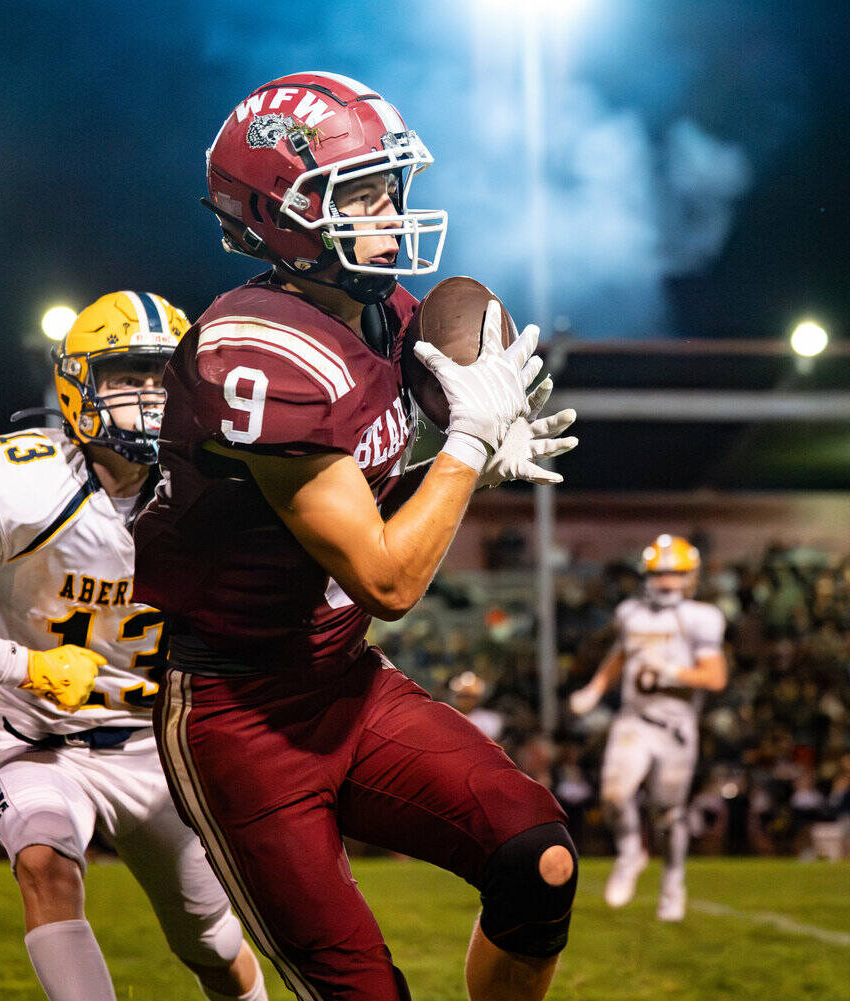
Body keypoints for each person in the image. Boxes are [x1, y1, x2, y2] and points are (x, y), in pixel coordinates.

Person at [133, 72, 580, 1001]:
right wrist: (466, 443)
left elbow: (357, 504)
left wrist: (472, 462)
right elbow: (386, 577)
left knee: (537, 858)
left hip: (345, 681)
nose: (391, 213)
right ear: (279, 216)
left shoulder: (384, 316)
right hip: (240, 712)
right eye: (361, 193)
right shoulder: (255, 350)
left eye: (390, 187)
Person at [0, 291, 265, 1001]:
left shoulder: (221, 487)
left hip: (160, 750)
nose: (150, 397)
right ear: (78, 386)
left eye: (163, 377)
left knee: (210, 944)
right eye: (128, 376)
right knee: (45, 863)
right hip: (38, 739)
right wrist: (26, 666)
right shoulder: (19, 478)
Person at [568, 534, 727, 921]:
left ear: (691, 577)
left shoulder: (702, 617)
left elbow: (715, 678)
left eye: (674, 573)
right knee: (613, 795)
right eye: (658, 573)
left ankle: (673, 883)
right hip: (634, 720)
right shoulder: (630, 613)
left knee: (668, 815)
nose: (666, 581)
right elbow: (621, 654)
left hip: (676, 727)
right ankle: (629, 853)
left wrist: (672, 671)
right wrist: (595, 689)